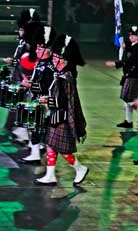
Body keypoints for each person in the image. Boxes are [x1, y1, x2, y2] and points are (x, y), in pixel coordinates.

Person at [35, 34, 88, 186]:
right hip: (55, 116)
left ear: (64, 60)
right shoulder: (58, 74)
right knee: (51, 145)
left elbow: (65, 101)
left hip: (62, 118)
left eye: (56, 56)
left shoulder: (67, 77)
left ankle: (80, 168)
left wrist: (47, 100)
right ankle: (50, 175)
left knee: (62, 149)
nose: (53, 58)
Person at [19, 25, 56, 164]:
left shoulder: (50, 66)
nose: (36, 50)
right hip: (37, 99)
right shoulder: (40, 62)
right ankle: (35, 154)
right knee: (33, 127)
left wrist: (31, 85)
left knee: (42, 130)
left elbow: (48, 86)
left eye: (40, 48)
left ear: (48, 50)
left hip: (46, 102)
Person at [105, 25, 138, 128]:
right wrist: (123, 45)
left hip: (132, 75)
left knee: (129, 100)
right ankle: (128, 121)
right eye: (130, 35)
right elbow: (127, 49)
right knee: (128, 100)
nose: (131, 37)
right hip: (128, 75)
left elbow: (130, 61)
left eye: (134, 35)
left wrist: (116, 64)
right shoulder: (132, 45)